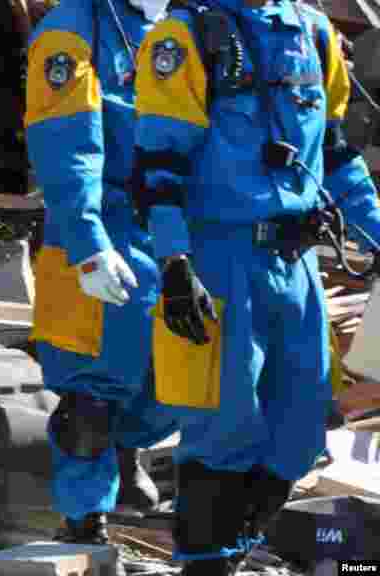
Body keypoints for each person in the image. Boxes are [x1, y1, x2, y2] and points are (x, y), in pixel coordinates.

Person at [132, 0, 380, 572]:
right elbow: (159, 166)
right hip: (220, 262)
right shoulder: (187, 37)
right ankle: (206, 564)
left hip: (297, 266)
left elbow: (337, 154)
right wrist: (174, 263)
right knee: (223, 430)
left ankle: (235, 551)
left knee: (301, 431)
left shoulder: (313, 34)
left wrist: (376, 231)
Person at [23, 0, 179, 560]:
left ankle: (126, 452)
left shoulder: (185, 26)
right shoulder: (72, 34)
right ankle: (84, 521)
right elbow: (67, 150)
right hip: (101, 228)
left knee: (170, 377)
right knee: (90, 396)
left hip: (170, 227)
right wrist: (89, 245)